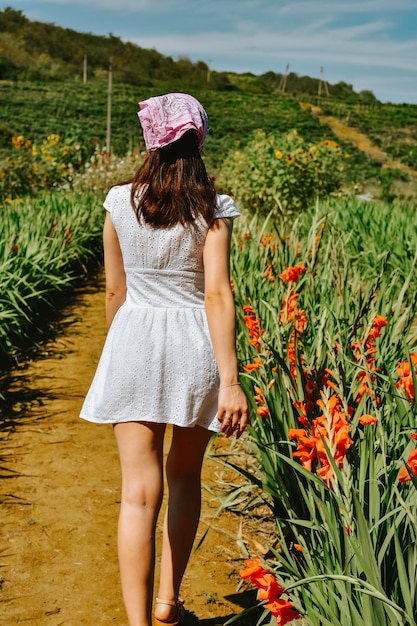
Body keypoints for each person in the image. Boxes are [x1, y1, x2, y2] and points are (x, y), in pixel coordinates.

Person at [80, 92, 249, 626]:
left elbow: (114, 291)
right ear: (198, 138)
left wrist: (122, 349)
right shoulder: (211, 209)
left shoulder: (117, 201)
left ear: (149, 139)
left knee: (137, 494)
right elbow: (217, 295)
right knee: (183, 478)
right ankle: (166, 603)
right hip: (194, 348)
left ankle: (136, 623)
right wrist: (230, 382)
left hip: (134, 339)